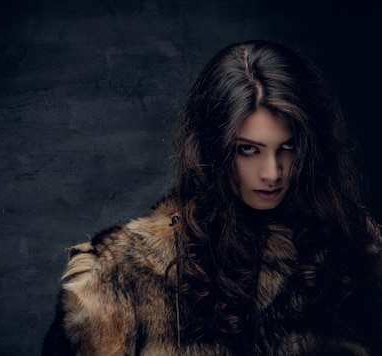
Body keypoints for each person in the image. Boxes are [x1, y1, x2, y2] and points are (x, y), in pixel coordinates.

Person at [41, 39, 382, 355]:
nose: (272, 172)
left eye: (288, 147)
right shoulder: (123, 277)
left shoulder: (347, 256)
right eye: (248, 149)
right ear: (211, 150)